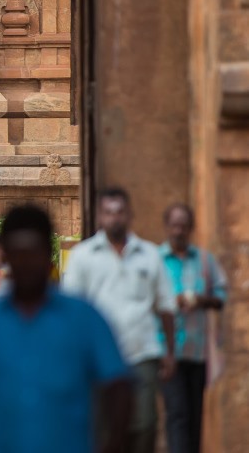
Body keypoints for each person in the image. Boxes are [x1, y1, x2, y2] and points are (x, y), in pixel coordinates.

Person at [0, 205, 132, 453]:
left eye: (34, 252)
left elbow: (118, 385)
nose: (26, 262)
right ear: (5, 256)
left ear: (48, 254)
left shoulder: (84, 318)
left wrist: (114, 443)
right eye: (18, 253)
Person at [62, 187, 177, 453]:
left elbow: (166, 307)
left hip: (142, 355)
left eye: (120, 212)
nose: (115, 218)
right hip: (97, 360)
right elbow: (72, 311)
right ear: (100, 217)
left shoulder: (150, 255)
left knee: (145, 426)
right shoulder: (83, 256)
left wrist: (170, 353)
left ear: (129, 215)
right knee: (102, 431)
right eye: (108, 213)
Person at [159, 204, 227, 453]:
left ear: (191, 228)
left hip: (198, 352)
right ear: (166, 227)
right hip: (168, 352)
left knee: (195, 416)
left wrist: (202, 300)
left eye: (184, 225)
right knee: (178, 414)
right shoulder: (157, 261)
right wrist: (171, 302)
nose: (179, 231)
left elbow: (221, 296)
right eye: (175, 225)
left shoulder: (205, 261)